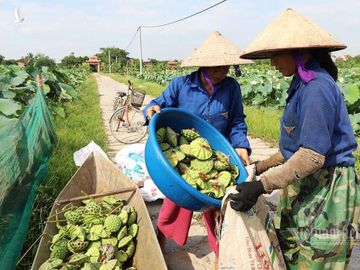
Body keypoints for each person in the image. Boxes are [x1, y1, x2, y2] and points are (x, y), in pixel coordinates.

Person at [229, 8, 359, 269]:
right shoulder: (300, 84)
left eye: (276, 55)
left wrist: (262, 185)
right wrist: (258, 168)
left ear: (300, 51)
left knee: (317, 258)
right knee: (290, 250)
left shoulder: (317, 88)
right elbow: (294, 148)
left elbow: (311, 156)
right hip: (303, 180)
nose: (272, 62)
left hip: (327, 186)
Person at [144, 31, 252, 264]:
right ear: (202, 64)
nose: (222, 70)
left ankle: (220, 255)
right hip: (185, 153)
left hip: (215, 155)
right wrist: (151, 109)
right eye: (215, 66)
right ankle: (160, 241)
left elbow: (236, 120)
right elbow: (157, 104)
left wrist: (241, 145)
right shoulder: (181, 85)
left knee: (217, 205)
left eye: (226, 66)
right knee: (173, 203)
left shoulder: (231, 88)